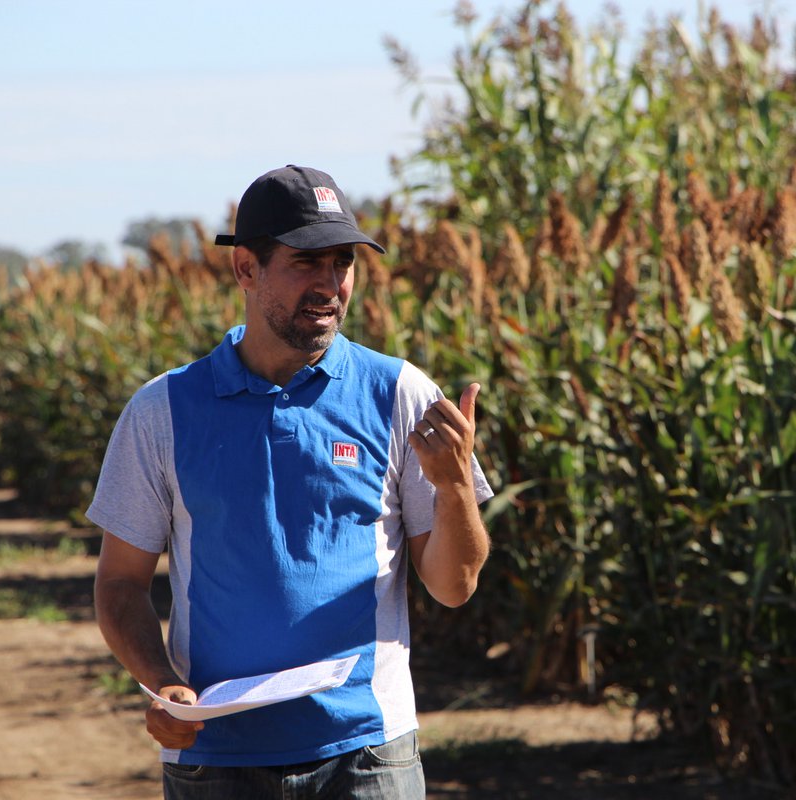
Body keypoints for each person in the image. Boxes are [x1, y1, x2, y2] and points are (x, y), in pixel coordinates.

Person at [89, 164, 493, 799]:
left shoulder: (401, 395)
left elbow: (453, 586)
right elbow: (119, 583)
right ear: (245, 269)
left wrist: (456, 490)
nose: (330, 284)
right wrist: (160, 679)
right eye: (307, 263)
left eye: (343, 263)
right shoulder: (162, 410)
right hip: (215, 760)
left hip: (368, 755)